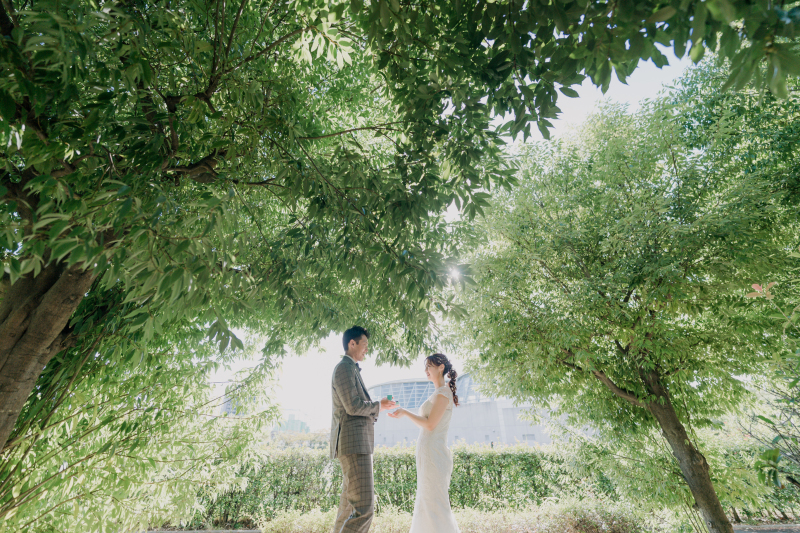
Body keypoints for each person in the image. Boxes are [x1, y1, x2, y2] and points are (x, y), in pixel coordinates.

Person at [330, 326, 397, 533]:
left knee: (348, 507)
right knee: (365, 508)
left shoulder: (350, 368)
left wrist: (379, 406)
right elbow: (352, 406)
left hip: (355, 444)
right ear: (353, 344)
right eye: (365, 344)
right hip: (354, 445)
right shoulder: (344, 368)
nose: (367, 349)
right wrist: (378, 406)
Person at [388, 353, 461, 533]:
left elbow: (429, 425)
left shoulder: (444, 393)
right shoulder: (437, 393)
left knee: (436, 504)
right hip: (427, 455)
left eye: (429, 366)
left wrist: (405, 412)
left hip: (435, 456)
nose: (426, 370)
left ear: (441, 367)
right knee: (426, 502)